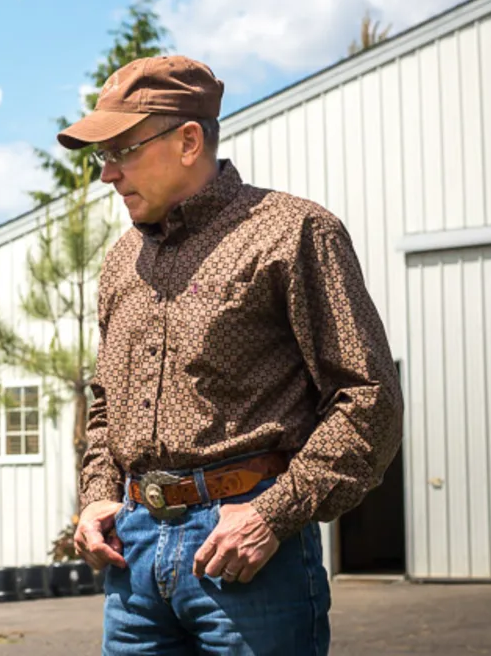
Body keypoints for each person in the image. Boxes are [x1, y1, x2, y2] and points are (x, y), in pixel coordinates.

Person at [63, 55, 403, 654]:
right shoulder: (121, 262)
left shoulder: (293, 232)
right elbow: (105, 405)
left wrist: (273, 514)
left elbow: (367, 397)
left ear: (189, 140)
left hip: (246, 550)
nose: (107, 175)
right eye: (102, 156)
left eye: (122, 151)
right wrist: (96, 495)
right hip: (132, 557)